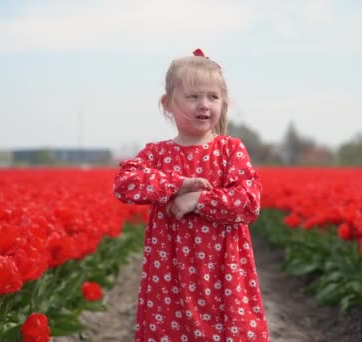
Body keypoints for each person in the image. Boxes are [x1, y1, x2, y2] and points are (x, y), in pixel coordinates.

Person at [113, 48, 270, 341]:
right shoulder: (158, 154)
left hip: (223, 273)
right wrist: (178, 184)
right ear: (168, 104)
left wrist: (198, 200)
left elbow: (249, 201)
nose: (204, 105)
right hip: (170, 274)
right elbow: (124, 183)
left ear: (224, 104)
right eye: (193, 96)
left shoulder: (230, 150)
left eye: (213, 97)